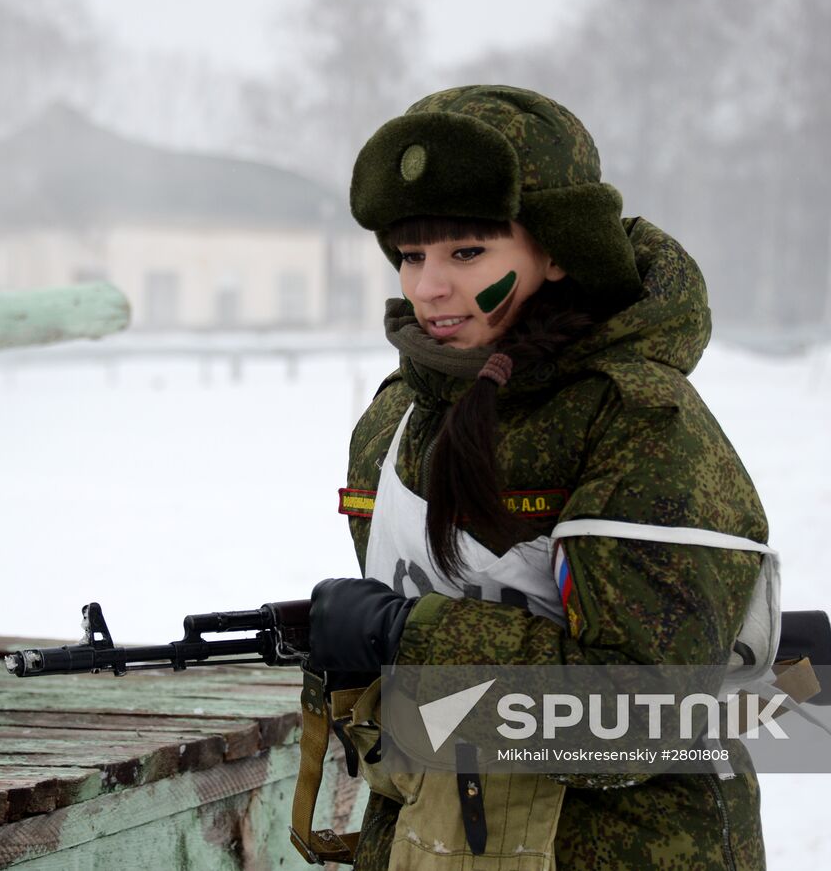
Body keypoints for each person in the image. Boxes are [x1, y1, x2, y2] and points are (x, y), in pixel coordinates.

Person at [307, 85, 770, 870]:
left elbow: (645, 713)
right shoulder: (396, 423)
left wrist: (406, 635)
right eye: (411, 254)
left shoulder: (638, 423)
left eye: (467, 252)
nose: (427, 287)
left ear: (555, 250)